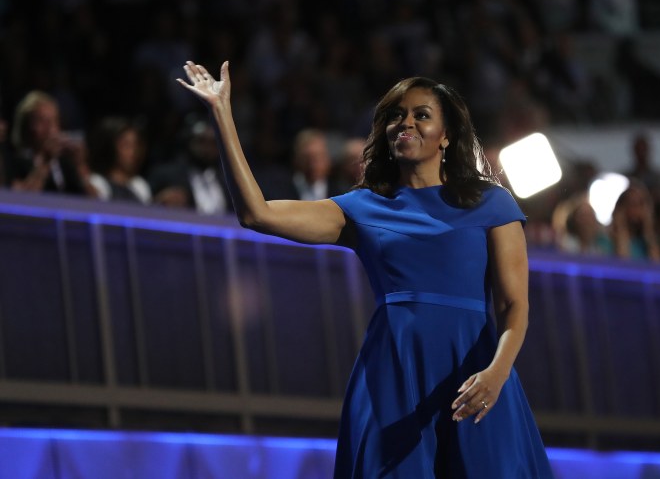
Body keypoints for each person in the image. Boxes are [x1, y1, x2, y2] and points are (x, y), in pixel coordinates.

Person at [177, 61, 553, 478]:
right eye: (396, 115)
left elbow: (514, 304)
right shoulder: (361, 208)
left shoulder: (491, 202)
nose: (404, 123)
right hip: (393, 376)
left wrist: (498, 372)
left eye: (420, 115)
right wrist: (222, 113)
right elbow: (256, 214)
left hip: (477, 374)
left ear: (446, 136)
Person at [7, 91, 95, 196]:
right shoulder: (13, 162)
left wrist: (81, 166)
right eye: (42, 121)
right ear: (25, 126)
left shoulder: (64, 165)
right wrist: (45, 162)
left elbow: (96, 204)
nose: (50, 128)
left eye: (54, 121)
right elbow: (22, 200)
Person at [87, 117, 151, 204]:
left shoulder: (140, 185)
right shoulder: (97, 182)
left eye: (136, 145)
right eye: (125, 145)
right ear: (109, 146)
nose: (133, 152)